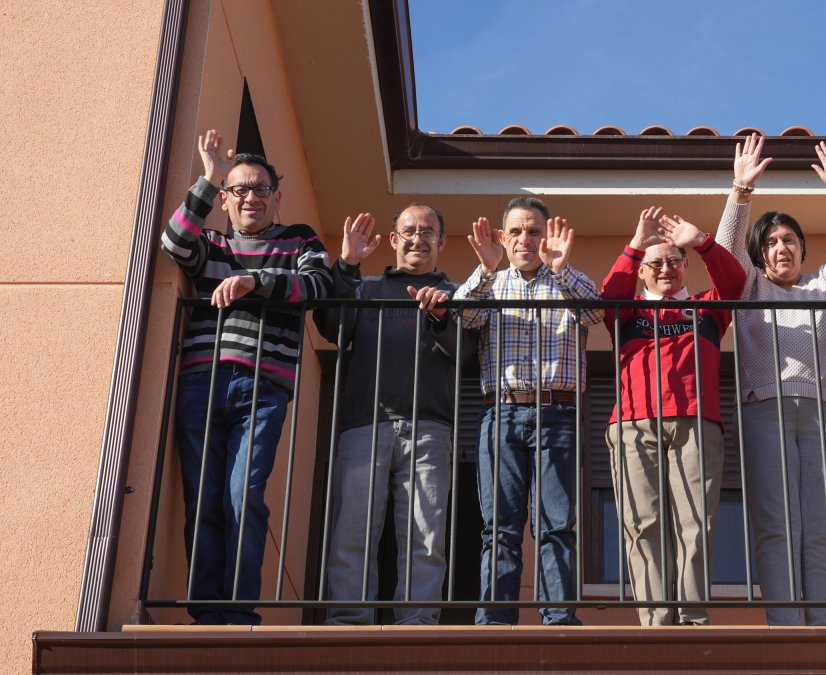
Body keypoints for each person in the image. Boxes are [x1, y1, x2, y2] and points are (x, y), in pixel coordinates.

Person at [161, 129, 375, 625]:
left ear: (277, 198)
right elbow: (175, 241)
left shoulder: (299, 238)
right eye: (239, 190)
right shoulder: (211, 244)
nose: (251, 197)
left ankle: (236, 608)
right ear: (226, 200)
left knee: (243, 494)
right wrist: (209, 176)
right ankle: (207, 610)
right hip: (201, 382)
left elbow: (319, 283)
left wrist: (255, 282)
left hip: (263, 387)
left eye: (261, 189)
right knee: (204, 496)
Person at [714, 134, 826, 625]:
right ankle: (785, 625)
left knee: (824, 527)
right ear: (760, 254)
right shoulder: (747, 286)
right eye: (772, 242)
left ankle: (823, 626)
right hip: (764, 410)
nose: (782, 247)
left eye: (790, 240)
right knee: (777, 525)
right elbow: (723, 251)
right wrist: (740, 192)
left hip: (824, 413)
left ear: (802, 248)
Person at [316, 203, 475, 625]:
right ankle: (348, 623)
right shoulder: (366, 289)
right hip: (365, 423)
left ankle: (418, 625)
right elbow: (331, 327)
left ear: (441, 241)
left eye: (428, 232)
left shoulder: (456, 294)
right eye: (409, 231)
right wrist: (347, 264)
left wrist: (443, 316)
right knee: (352, 531)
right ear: (393, 239)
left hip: (431, 428)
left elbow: (469, 353)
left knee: (425, 537)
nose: (417, 239)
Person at [453, 196, 603, 625]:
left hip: (557, 414)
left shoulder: (566, 281)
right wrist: (484, 267)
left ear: (547, 235)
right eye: (515, 231)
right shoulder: (492, 283)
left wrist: (561, 268)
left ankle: (559, 618)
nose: (525, 239)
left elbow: (596, 310)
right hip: (500, 414)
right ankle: (496, 620)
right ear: (502, 238)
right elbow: (461, 317)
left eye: (534, 230)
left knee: (556, 524)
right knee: (499, 528)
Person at [601, 208, 746, 626]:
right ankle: (655, 621)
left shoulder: (707, 308)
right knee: (642, 525)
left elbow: (735, 283)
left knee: (695, 523)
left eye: (674, 261)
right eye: (656, 263)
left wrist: (700, 240)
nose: (666, 268)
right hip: (631, 423)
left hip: (696, 422)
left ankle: (693, 617)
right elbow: (609, 294)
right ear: (642, 272)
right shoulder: (626, 312)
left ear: (685, 267)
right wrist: (634, 244)